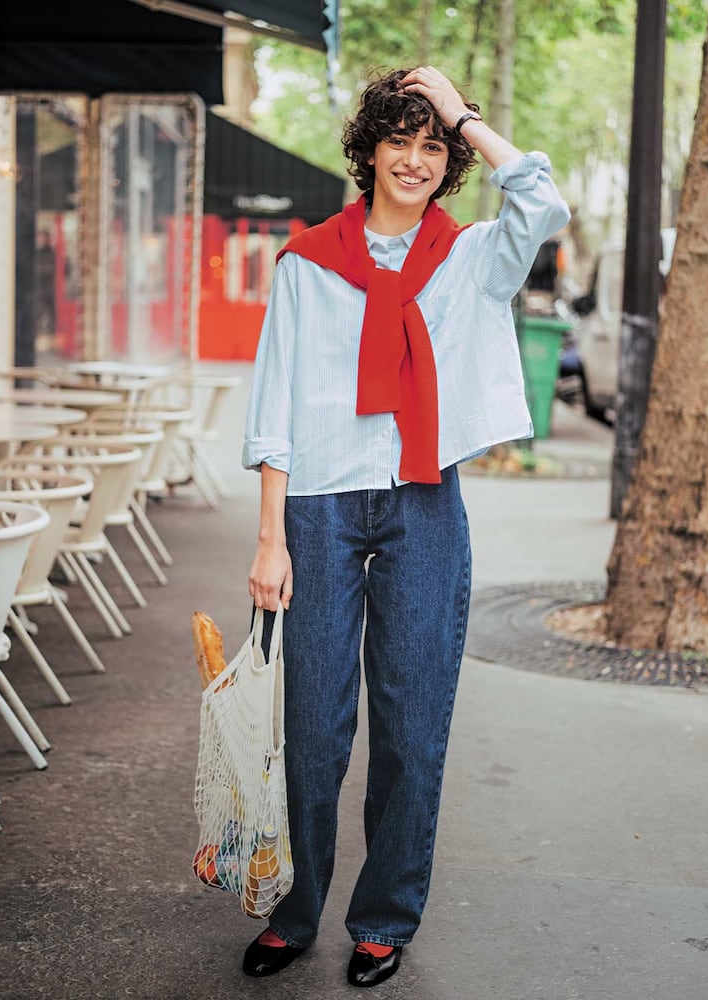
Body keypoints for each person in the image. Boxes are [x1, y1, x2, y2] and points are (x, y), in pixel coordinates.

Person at [239, 66, 571, 987]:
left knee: (412, 728)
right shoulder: (308, 262)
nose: (418, 160)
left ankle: (384, 916)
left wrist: (466, 112)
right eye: (403, 139)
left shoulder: (470, 259)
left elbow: (543, 202)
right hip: (318, 509)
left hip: (424, 503)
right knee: (312, 730)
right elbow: (274, 404)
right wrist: (270, 538)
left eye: (436, 146)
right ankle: (296, 909)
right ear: (370, 149)